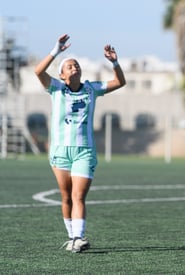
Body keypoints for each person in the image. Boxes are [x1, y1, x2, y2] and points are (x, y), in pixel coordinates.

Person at [34, 34, 126, 253]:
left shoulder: (91, 89)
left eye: (76, 65)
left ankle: (78, 237)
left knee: (78, 196)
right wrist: (56, 51)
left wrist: (114, 62)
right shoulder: (55, 87)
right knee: (66, 197)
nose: (74, 66)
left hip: (84, 151)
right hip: (59, 151)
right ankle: (71, 237)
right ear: (62, 74)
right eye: (69, 65)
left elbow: (120, 82)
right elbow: (38, 71)